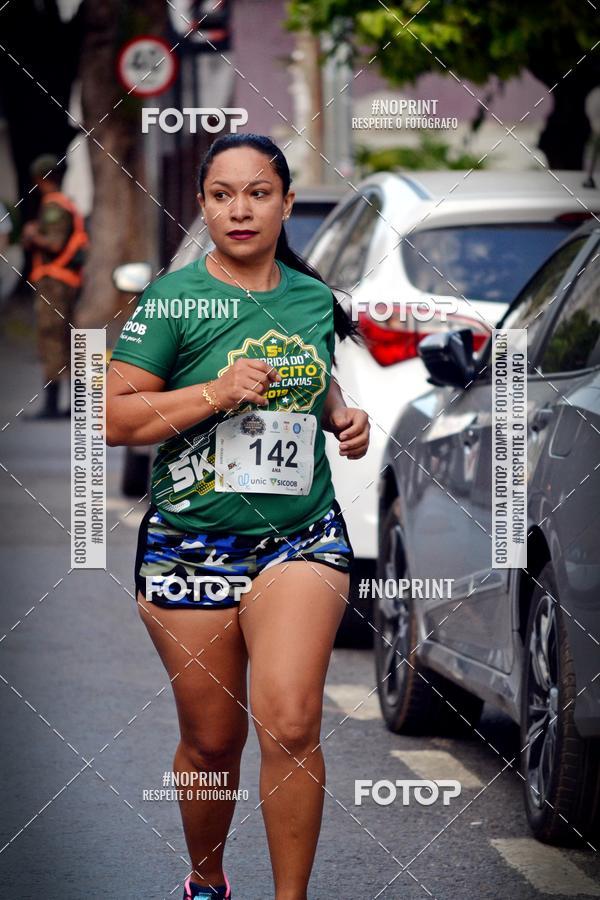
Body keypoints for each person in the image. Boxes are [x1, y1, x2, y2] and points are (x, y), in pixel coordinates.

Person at [106, 133, 370, 900]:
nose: (240, 208)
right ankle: (208, 880)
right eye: (222, 194)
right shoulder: (173, 300)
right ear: (203, 206)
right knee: (212, 742)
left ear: (287, 203)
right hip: (191, 546)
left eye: (258, 192)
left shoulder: (313, 297)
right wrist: (216, 393)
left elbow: (308, 379)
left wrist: (343, 415)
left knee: (289, 721)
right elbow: (114, 419)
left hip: (301, 534)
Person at [22, 154, 88, 418]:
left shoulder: (54, 207)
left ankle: (53, 406)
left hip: (54, 284)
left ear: (40, 179)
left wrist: (31, 234)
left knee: (52, 340)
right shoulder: (65, 204)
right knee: (65, 340)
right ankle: (73, 405)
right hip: (65, 282)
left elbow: (54, 244)